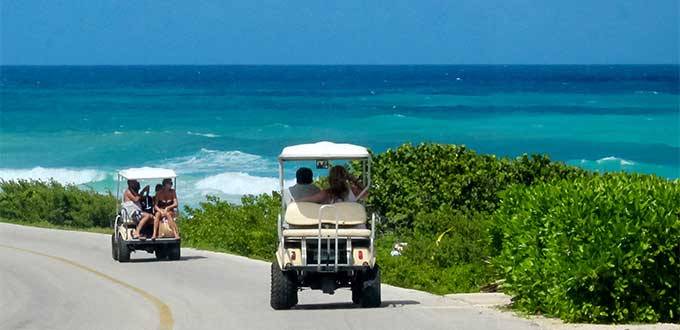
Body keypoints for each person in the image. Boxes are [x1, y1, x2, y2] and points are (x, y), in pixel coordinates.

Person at [298, 165, 368, 204]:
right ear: (345, 177)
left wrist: (294, 202)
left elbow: (309, 199)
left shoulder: (326, 193)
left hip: (337, 227)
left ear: (331, 179)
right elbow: (366, 193)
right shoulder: (353, 190)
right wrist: (353, 180)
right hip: (354, 224)